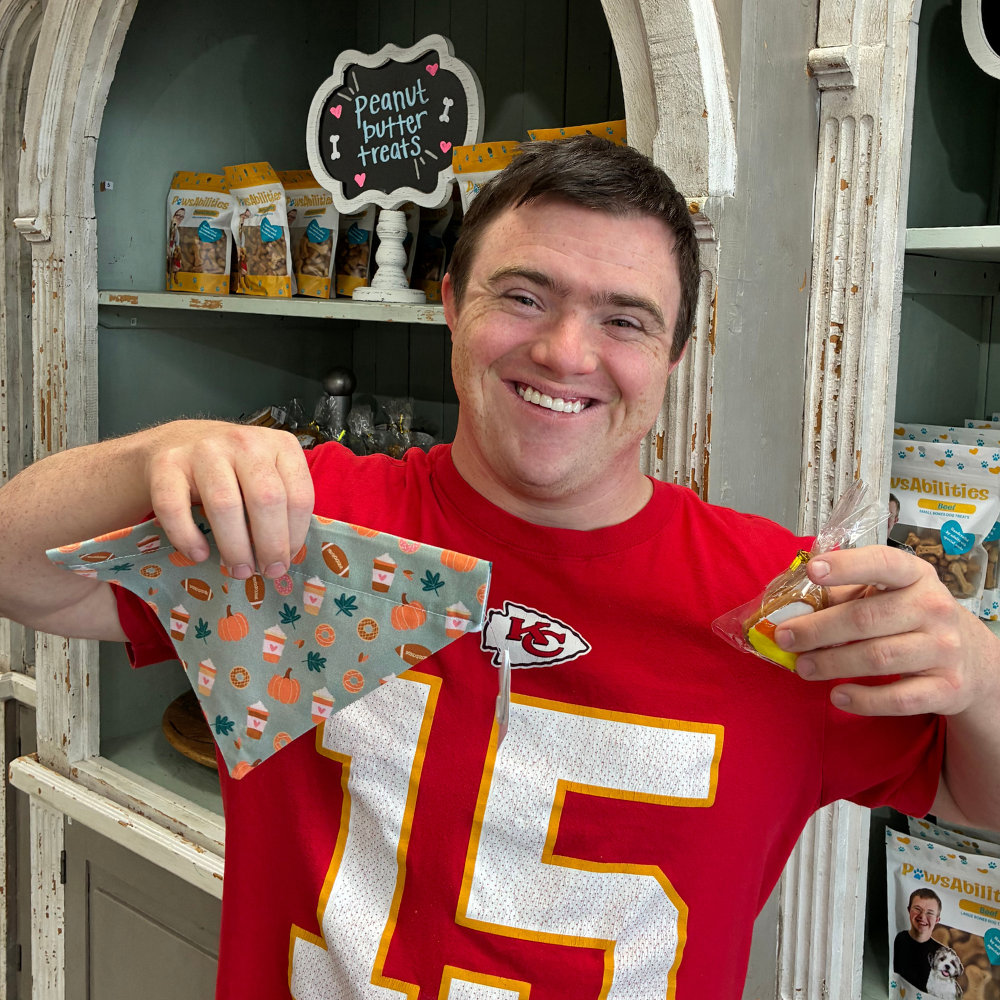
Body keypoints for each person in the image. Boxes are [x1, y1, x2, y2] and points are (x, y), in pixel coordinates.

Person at [1, 136, 999, 999]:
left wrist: (978, 667)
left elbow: (976, 799)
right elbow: (20, 574)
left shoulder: (779, 605)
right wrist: (151, 455)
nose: (565, 351)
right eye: (523, 296)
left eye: (625, 319)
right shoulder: (304, 529)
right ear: (449, 304)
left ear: (675, 354)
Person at [893, 888, 944, 991]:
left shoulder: (941, 954)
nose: (922, 916)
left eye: (930, 913)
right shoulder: (898, 939)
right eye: (917, 909)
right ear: (909, 910)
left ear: (937, 919)